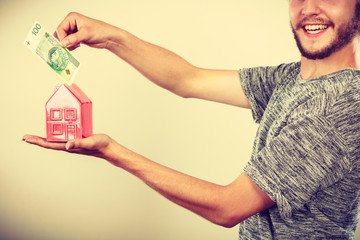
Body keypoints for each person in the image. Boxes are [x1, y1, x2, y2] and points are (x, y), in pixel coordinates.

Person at [23, 0, 360, 239]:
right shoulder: (293, 78)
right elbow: (187, 79)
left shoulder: (336, 106)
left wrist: (112, 152)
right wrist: (110, 36)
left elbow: (227, 207)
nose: (309, 7)